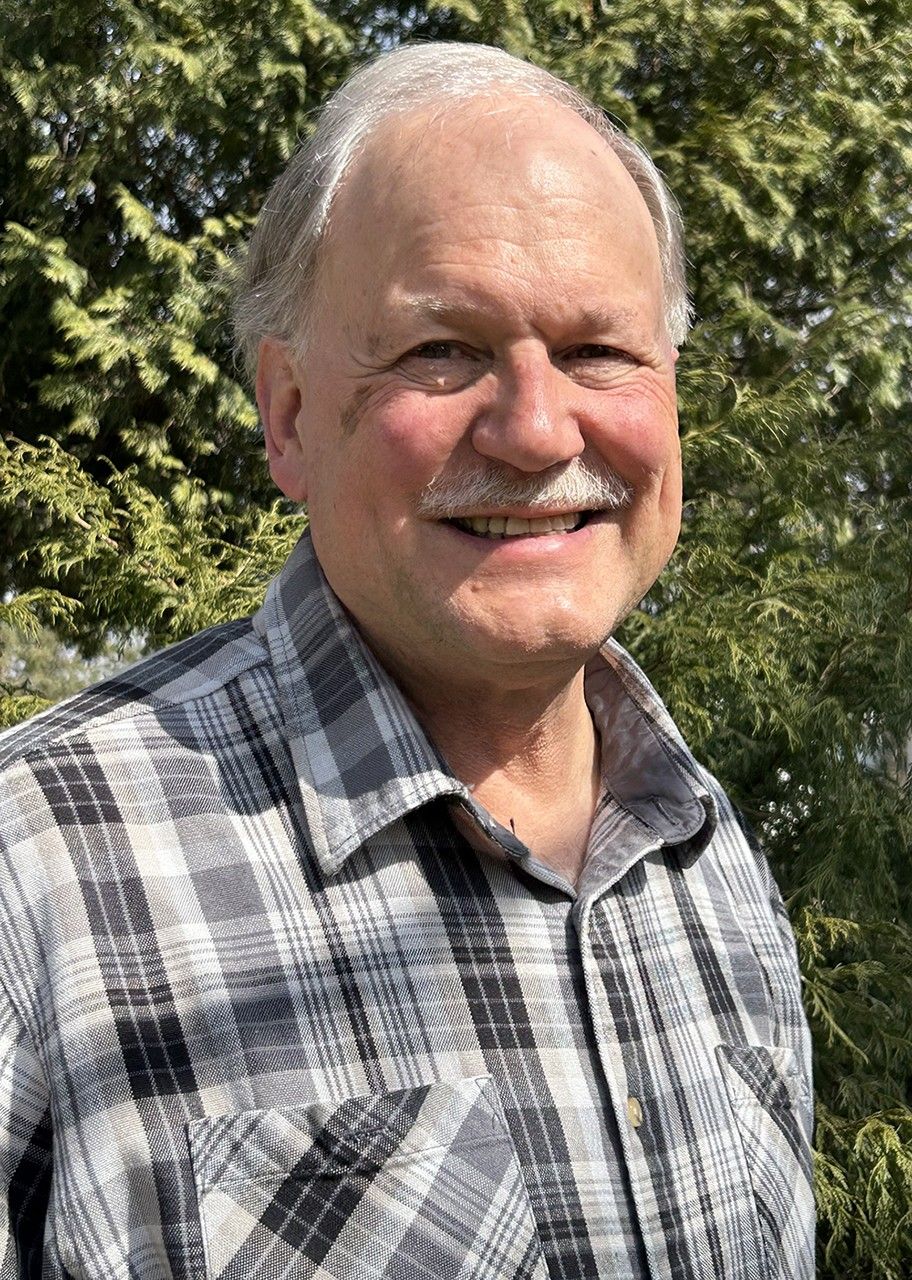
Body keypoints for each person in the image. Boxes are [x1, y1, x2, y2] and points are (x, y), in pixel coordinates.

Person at [0, 41, 814, 1280]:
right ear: (288, 416)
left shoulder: (706, 854)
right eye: (442, 350)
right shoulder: (41, 865)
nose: (538, 428)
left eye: (602, 350)